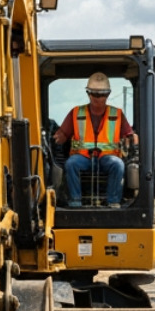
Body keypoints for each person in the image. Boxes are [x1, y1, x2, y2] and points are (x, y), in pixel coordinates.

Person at [53, 71, 135, 208]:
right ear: (88, 94)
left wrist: (132, 141)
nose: (98, 98)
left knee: (118, 164)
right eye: (95, 94)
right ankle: (75, 201)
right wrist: (58, 137)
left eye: (102, 94)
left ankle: (113, 201)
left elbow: (130, 135)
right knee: (70, 164)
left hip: (108, 158)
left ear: (108, 95)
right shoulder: (76, 113)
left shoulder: (117, 114)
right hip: (83, 158)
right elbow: (61, 135)